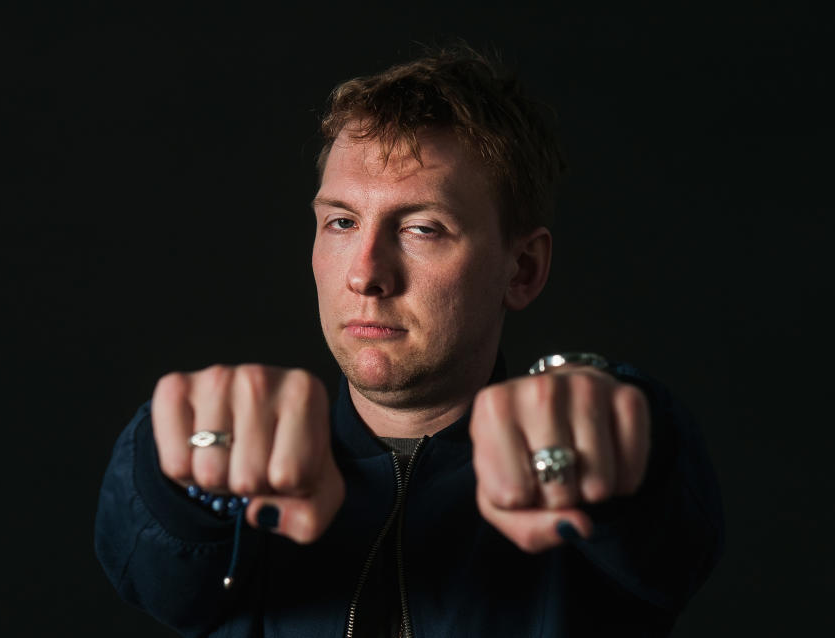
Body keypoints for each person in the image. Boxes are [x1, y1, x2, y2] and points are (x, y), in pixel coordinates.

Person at [95, 46, 723, 637]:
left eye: (422, 228)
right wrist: (183, 466)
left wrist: (605, 428)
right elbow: (159, 568)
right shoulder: (245, 477)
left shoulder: (602, 495)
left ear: (523, 268)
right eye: (341, 222)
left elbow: (665, 521)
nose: (365, 273)